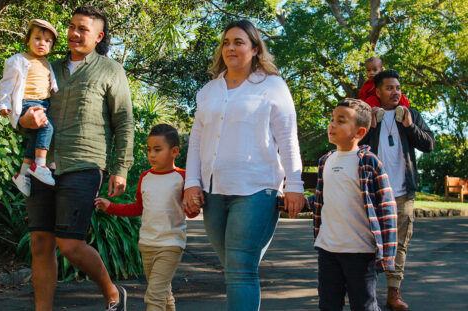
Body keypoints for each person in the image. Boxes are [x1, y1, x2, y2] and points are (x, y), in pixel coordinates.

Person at [17, 6, 134, 311]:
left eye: (82, 28)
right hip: (42, 163)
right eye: (71, 26)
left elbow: (123, 121)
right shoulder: (45, 67)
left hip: (84, 163)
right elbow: (25, 106)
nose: (73, 33)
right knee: (40, 243)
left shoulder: (110, 70)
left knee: (69, 244)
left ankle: (111, 291)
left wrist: (120, 168)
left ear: (98, 36)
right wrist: (23, 121)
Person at [182, 20, 305, 311]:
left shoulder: (272, 85)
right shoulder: (208, 90)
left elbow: (288, 139)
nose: (230, 48)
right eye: (226, 42)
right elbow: (197, 142)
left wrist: (295, 185)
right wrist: (191, 183)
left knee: (240, 270)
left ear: (255, 48)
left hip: (256, 189)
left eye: (238, 42)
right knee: (235, 268)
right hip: (213, 192)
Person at [305, 98, 397, 311]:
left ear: (359, 132)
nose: (332, 124)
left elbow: (387, 208)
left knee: (364, 305)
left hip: (360, 252)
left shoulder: (368, 162)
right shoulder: (325, 161)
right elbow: (323, 197)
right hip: (327, 249)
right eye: (331, 119)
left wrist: (387, 256)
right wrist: (296, 202)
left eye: (341, 120)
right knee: (328, 305)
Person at [95, 124, 199, 311]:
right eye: (149, 149)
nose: (151, 155)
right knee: (163, 294)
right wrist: (111, 207)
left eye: (157, 150)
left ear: (174, 151)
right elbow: (138, 208)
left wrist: (193, 204)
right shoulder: (146, 177)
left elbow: (192, 212)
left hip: (171, 245)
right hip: (147, 245)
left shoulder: (183, 177)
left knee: (154, 296)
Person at [360, 70, 434, 311]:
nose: (395, 92)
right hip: (373, 193)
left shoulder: (410, 115)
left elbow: (429, 144)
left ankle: (394, 293)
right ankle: (366, 294)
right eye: (390, 88)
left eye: (398, 88)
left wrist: (410, 126)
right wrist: (371, 126)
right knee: (367, 243)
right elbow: (354, 148)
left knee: (400, 244)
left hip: (403, 192)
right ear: (378, 91)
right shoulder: (369, 116)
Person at [0, 19, 59, 196]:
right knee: (47, 128)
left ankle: (23, 174)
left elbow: (50, 80)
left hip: (43, 102)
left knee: (35, 137)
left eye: (48, 41)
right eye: (38, 38)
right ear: (27, 40)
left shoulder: (46, 62)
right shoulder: (18, 60)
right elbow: (6, 84)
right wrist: (4, 104)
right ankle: (39, 165)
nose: (42, 43)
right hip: (27, 102)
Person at [359, 57, 410, 125]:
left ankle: (401, 110)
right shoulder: (367, 85)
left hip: (390, 101)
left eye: (374, 70)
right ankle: (377, 113)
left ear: (381, 69)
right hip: (374, 104)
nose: (371, 73)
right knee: (371, 99)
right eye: (368, 70)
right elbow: (362, 96)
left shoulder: (386, 80)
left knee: (401, 96)